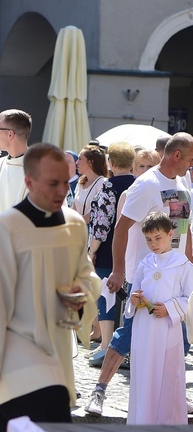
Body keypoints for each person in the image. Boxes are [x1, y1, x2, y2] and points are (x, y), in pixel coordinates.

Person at [0, 143, 101, 432]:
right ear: (29, 182)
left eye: (65, 182)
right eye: (52, 183)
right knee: (33, 424)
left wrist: (81, 292)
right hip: (14, 347)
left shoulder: (74, 225)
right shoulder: (4, 228)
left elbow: (86, 274)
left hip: (54, 345)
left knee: (13, 430)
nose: (61, 190)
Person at [85, 132, 193, 417]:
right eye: (191, 157)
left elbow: (184, 228)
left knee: (178, 338)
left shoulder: (183, 181)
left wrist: (190, 262)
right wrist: (120, 271)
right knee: (126, 337)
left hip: (175, 274)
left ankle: (172, 394)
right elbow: (121, 228)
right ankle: (100, 390)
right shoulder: (146, 185)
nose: (192, 164)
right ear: (177, 155)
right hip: (145, 275)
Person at [125, 212, 192, 425]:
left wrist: (171, 308)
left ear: (170, 233)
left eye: (158, 238)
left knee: (166, 378)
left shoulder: (182, 265)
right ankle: (141, 422)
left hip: (167, 332)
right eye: (148, 239)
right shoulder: (145, 264)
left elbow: (190, 300)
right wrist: (134, 300)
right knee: (143, 376)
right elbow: (134, 293)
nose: (153, 244)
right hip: (143, 330)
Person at [85, 142, 136, 365]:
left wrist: (91, 250)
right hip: (130, 247)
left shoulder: (108, 186)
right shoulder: (137, 184)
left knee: (106, 297)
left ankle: (106, 345)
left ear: (111, 163)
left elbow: (102, 224)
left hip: (107, 249)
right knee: (124, 299)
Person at [73, 144, 108, 223]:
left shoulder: (102, 183)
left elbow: (99, 211)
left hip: (91, 231)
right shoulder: (80, 182)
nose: (76, 162)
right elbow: (74, 208)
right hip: (78, 229)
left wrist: (78, 221)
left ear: (90, 162)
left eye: (80, 159)